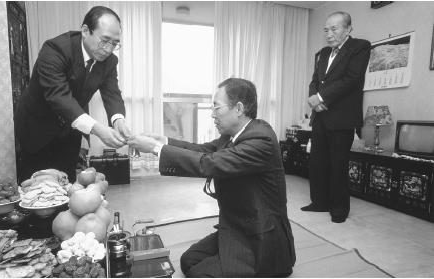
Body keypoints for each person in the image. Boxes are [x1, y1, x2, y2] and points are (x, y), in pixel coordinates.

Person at [128, 78, 296, 277]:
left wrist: (154, 149)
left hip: (261, 238)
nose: (212, 114)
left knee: (198, 273)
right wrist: (163, 141)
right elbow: (202, 150)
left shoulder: (262, 139)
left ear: (239, 108)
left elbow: (209, 163)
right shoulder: (232, 134)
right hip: (237, 227)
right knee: (188, 260)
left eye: (217, 108)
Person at [14, 6, 131, 183]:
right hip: (36, 127)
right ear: (85, 31)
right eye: (105, 40)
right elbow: (59, 97)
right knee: (35, 187)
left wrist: (118, 120)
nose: (108, 49)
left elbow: (112, 93)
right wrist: (99, 130)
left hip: (70, 128)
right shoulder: (55, 49)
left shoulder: (109, 61)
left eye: (115, 43)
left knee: (65, 182)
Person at [301, 11, 371, 223]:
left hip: (342, 118)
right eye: (326, 29)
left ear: (348, 29)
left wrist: (321, 97)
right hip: (320, 116)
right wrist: (314, 97)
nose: (329, 33)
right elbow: (315, 80)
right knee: (318, 162)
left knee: (338, 164)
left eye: (334, 29)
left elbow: (352, 79)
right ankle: (319, 202)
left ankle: (339, 209)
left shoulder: (360, 47)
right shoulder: (323, 53)